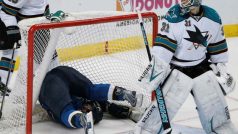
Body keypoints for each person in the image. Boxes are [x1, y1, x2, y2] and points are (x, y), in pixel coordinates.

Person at [134, 0, 237, 133]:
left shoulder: (213, 17)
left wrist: (221, 72)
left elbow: (217, 48)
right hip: (178, 69)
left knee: (219, 118)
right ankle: (146, 130)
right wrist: (153, 75)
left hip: (201, 67)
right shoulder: (173, 16)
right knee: (155, 120)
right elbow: (162, 51)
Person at [39, 65, 144, 132]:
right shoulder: (77, 104)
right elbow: (67, 115)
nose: (87, 107)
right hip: (55, 78)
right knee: (89, 91)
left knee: (91, 90)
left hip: (61, 73)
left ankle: (123, 94)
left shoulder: (80, 103)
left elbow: (67, 114)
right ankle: (81, 120)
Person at [0, 0, 50, 86]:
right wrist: (12, 29)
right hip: (6, 18)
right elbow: (6, 12)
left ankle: (5, 85)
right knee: (9, 51)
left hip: (27, 21)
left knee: (42, 56)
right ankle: (4, 85)